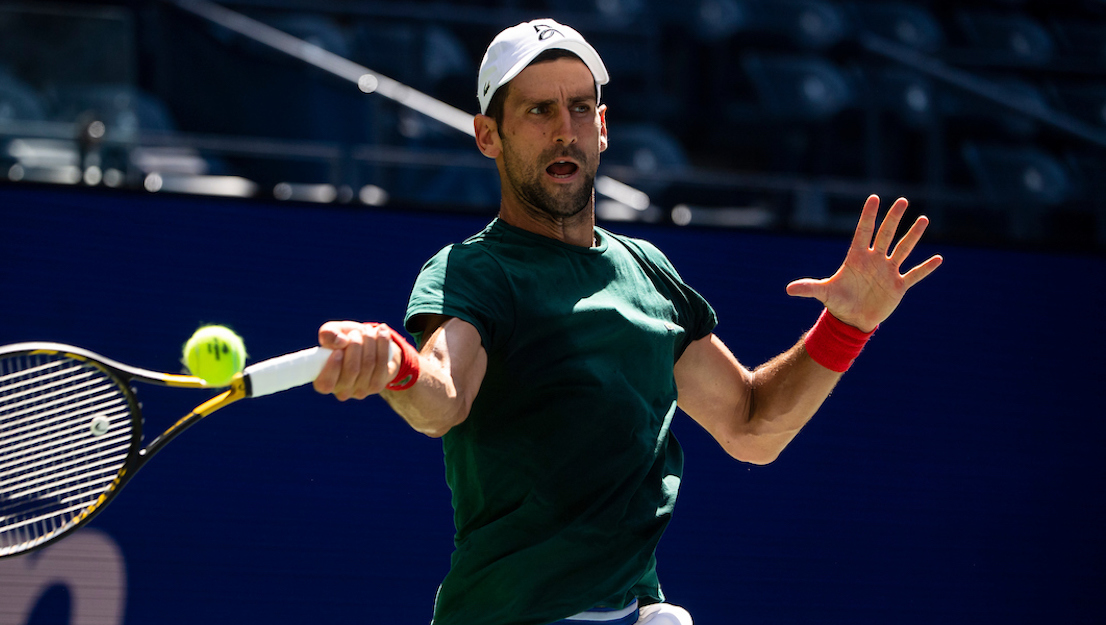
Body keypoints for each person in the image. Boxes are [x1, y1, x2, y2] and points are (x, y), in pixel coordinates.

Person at [311, 18, 943, 625]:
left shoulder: (647, 271)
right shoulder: (472, 273)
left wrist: (847, 327)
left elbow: (752, 427)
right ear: (488, 135)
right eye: (537, 111)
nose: (565, 130)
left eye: (580, 108)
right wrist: (397, 364)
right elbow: (443, 398)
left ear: (603, 126)